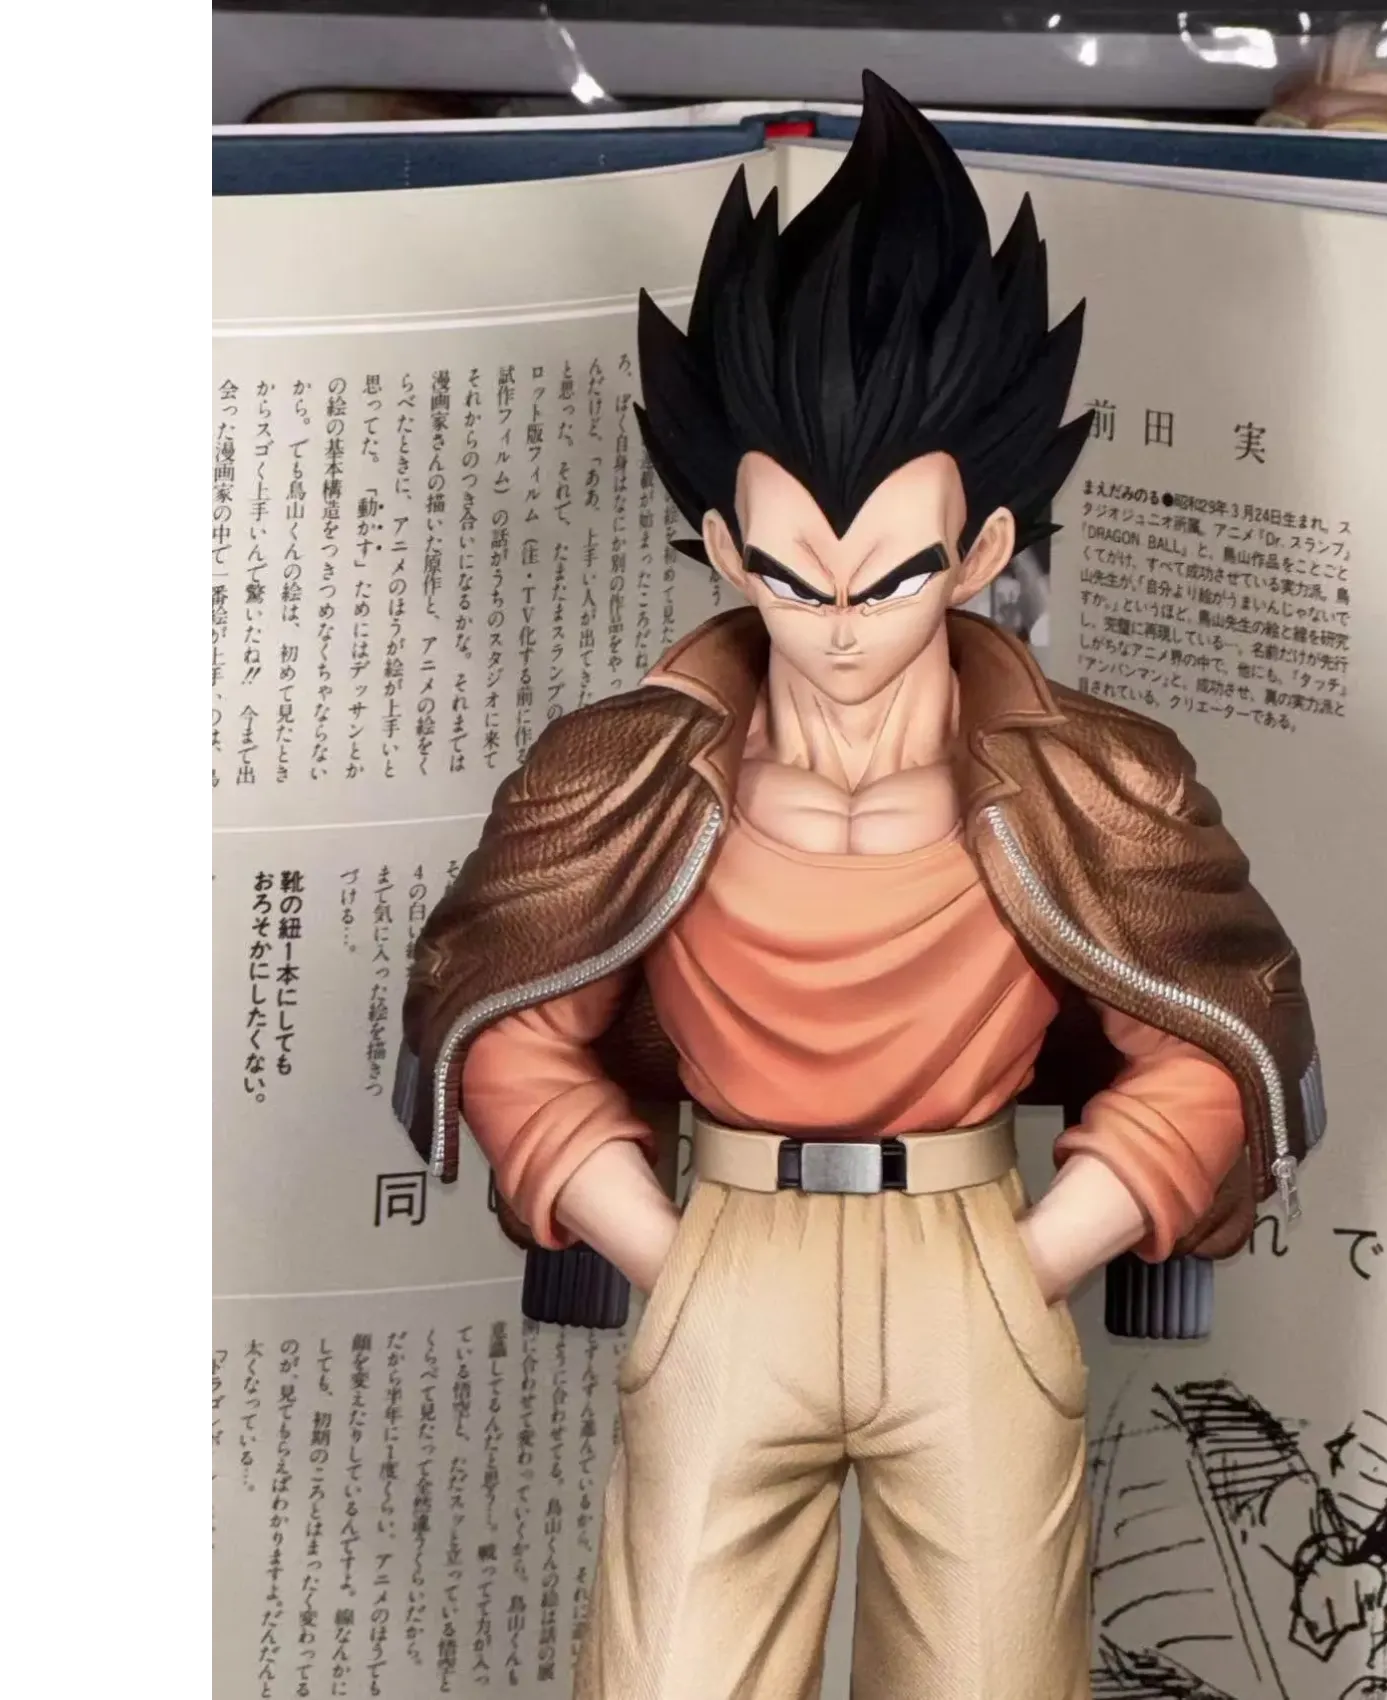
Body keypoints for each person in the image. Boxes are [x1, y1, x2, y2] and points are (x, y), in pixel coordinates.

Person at [392, 72, 1324, 1700]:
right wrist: (670, 1254)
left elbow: (1213, 1044)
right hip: (729, 1247)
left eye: (890, 577)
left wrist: (1034, 1258)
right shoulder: (623, 769)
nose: (835, 625)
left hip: (971, 1249)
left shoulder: (1095, 778)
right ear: (723, 546)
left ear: (981, 553)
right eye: (790, 573)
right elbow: (511, 1028)